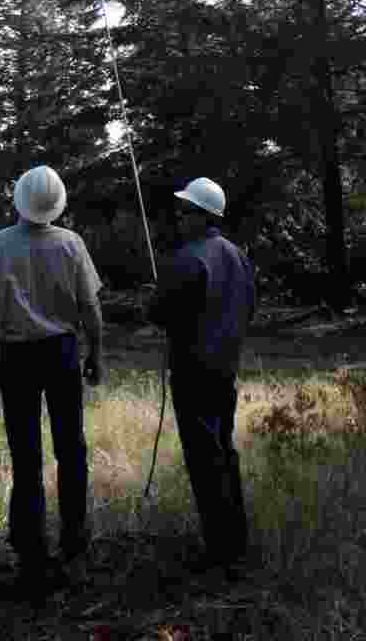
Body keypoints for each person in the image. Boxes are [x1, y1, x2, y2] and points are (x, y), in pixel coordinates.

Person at [0, 165, 103, 602]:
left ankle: (31, 556)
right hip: (62, 352)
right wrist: (96, 355)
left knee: (26, 458)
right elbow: (90, 309)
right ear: (57, 203)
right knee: (71, 449)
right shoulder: (72, 244)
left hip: (16, 357)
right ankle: (74, 547)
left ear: (19, 199)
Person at [148, 177, 255, 575]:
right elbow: (250, 309)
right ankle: (235, 541)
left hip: (193, 372)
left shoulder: (188, 258)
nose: (178, 218)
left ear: (203, 216)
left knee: (204, 459)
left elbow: (157, 312)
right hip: (226, 370)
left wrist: (161, 298)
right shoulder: (239, 257)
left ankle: (219, 551)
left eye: (184, 211)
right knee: (225, 452)